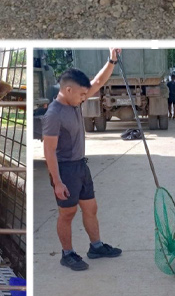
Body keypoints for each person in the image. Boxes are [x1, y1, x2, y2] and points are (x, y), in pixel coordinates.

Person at [41, 50, 124, 272]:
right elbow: (48, 150)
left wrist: (112, 60)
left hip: (81, 166)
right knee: (67, 213)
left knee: (91, 208)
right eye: (81, 95)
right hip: (65, 169)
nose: (84, 98)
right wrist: (57, 182)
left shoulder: (74, 102)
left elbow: (97, 82)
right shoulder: (54, 114)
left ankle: (96, 247)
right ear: (68, 90)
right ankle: (67, 254)